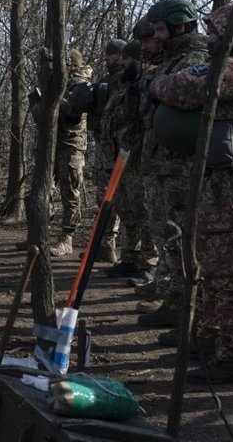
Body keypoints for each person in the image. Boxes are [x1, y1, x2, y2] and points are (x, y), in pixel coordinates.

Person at [150, 4, 233, 384]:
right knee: (208, 260)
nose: (210, 39)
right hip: (219, 177)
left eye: (216, 32)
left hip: (231, 181)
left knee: (224, 270)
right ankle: (208, 340)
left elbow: (183, 89)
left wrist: (156, 81)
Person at [136, 0, 210, 328]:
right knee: (164, 232)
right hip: (160, 163)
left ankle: (184, 305)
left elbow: (186, 94)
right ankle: (173, 297)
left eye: (163, 29)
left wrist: (155, 84)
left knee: (180, 236)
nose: (159, 35)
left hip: (181, 166)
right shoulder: (171, 59)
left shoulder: (196, 57)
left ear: (180, 26)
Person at [27, 49, 93, 256]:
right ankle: (39, 235)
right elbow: (41, 117)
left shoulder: (81, 85)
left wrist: (52, 100)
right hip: (51, 145)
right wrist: (39, 102)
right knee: (43, 189)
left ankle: (67, 238)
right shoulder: (54, 84)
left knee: (70, 193)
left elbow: (74, 111)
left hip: (71, 146)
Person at [104, 28, 157, 285]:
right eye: (122, 58)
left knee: (145, 211)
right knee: (126, 210)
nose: (123, 62)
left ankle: (149, 262)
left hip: (140, 159)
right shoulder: (124, 85)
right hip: (121, 156)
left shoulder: (149, 83)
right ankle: (129, 258)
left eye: (128, 58)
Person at [87, 38, 127, 263]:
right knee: (102, 197)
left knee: (119, 199)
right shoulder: (104, 82)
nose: (107, 58)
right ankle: (104, 245)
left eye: (111, 54)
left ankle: (120, 248)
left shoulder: (127, 81)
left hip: (120, 151)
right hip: (103, 148)